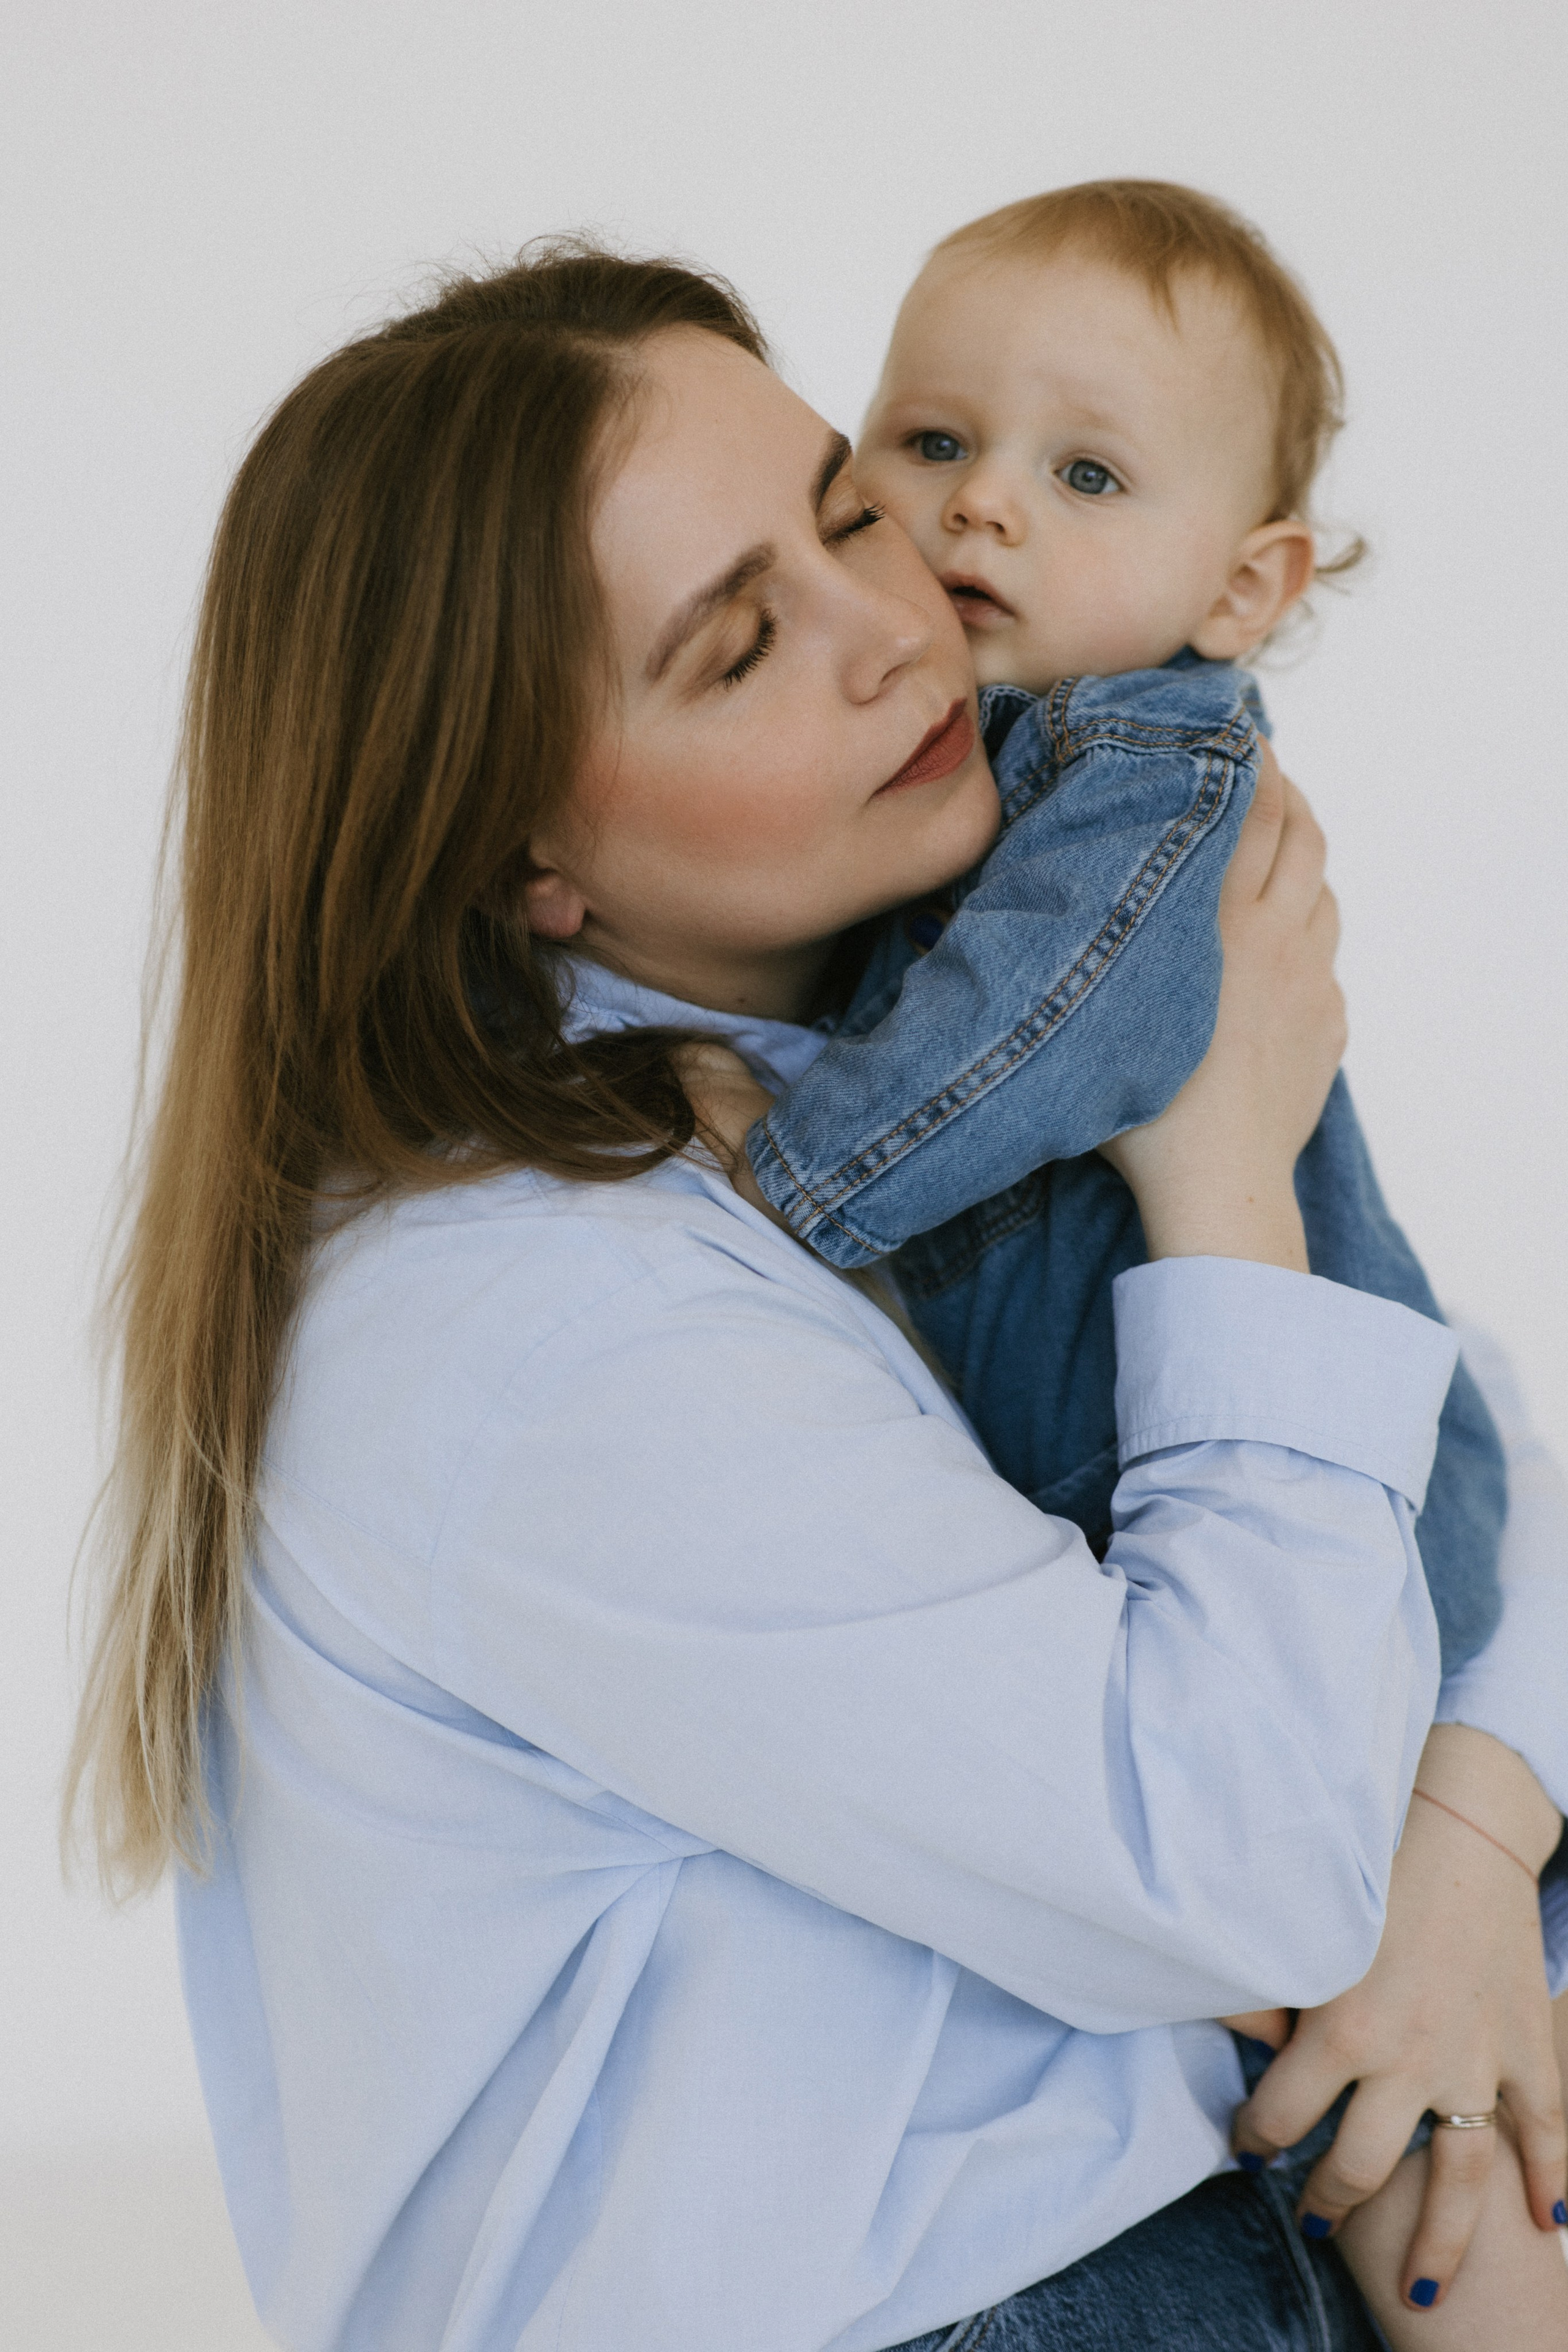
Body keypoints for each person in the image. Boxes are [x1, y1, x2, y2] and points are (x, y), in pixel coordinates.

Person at [65, 245, 1568, 2352]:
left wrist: (1473, 1848)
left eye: (855, 506)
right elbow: (1233, 1861)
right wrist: (1226, 1161)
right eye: (738, 645)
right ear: (523, 865)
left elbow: (1460, 1419)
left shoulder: (912, 1008)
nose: (895, 624)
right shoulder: (545, 1315)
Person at [742, 182, 1506, 1675]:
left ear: (1239, 588)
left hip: (1355, 1524)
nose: (981, 503)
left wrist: (772, 1192)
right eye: (933, 442)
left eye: (1084, 475)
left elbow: (1049, 1021)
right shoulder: (937, 760)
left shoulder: (1149, 769)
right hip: (1132, 1519)